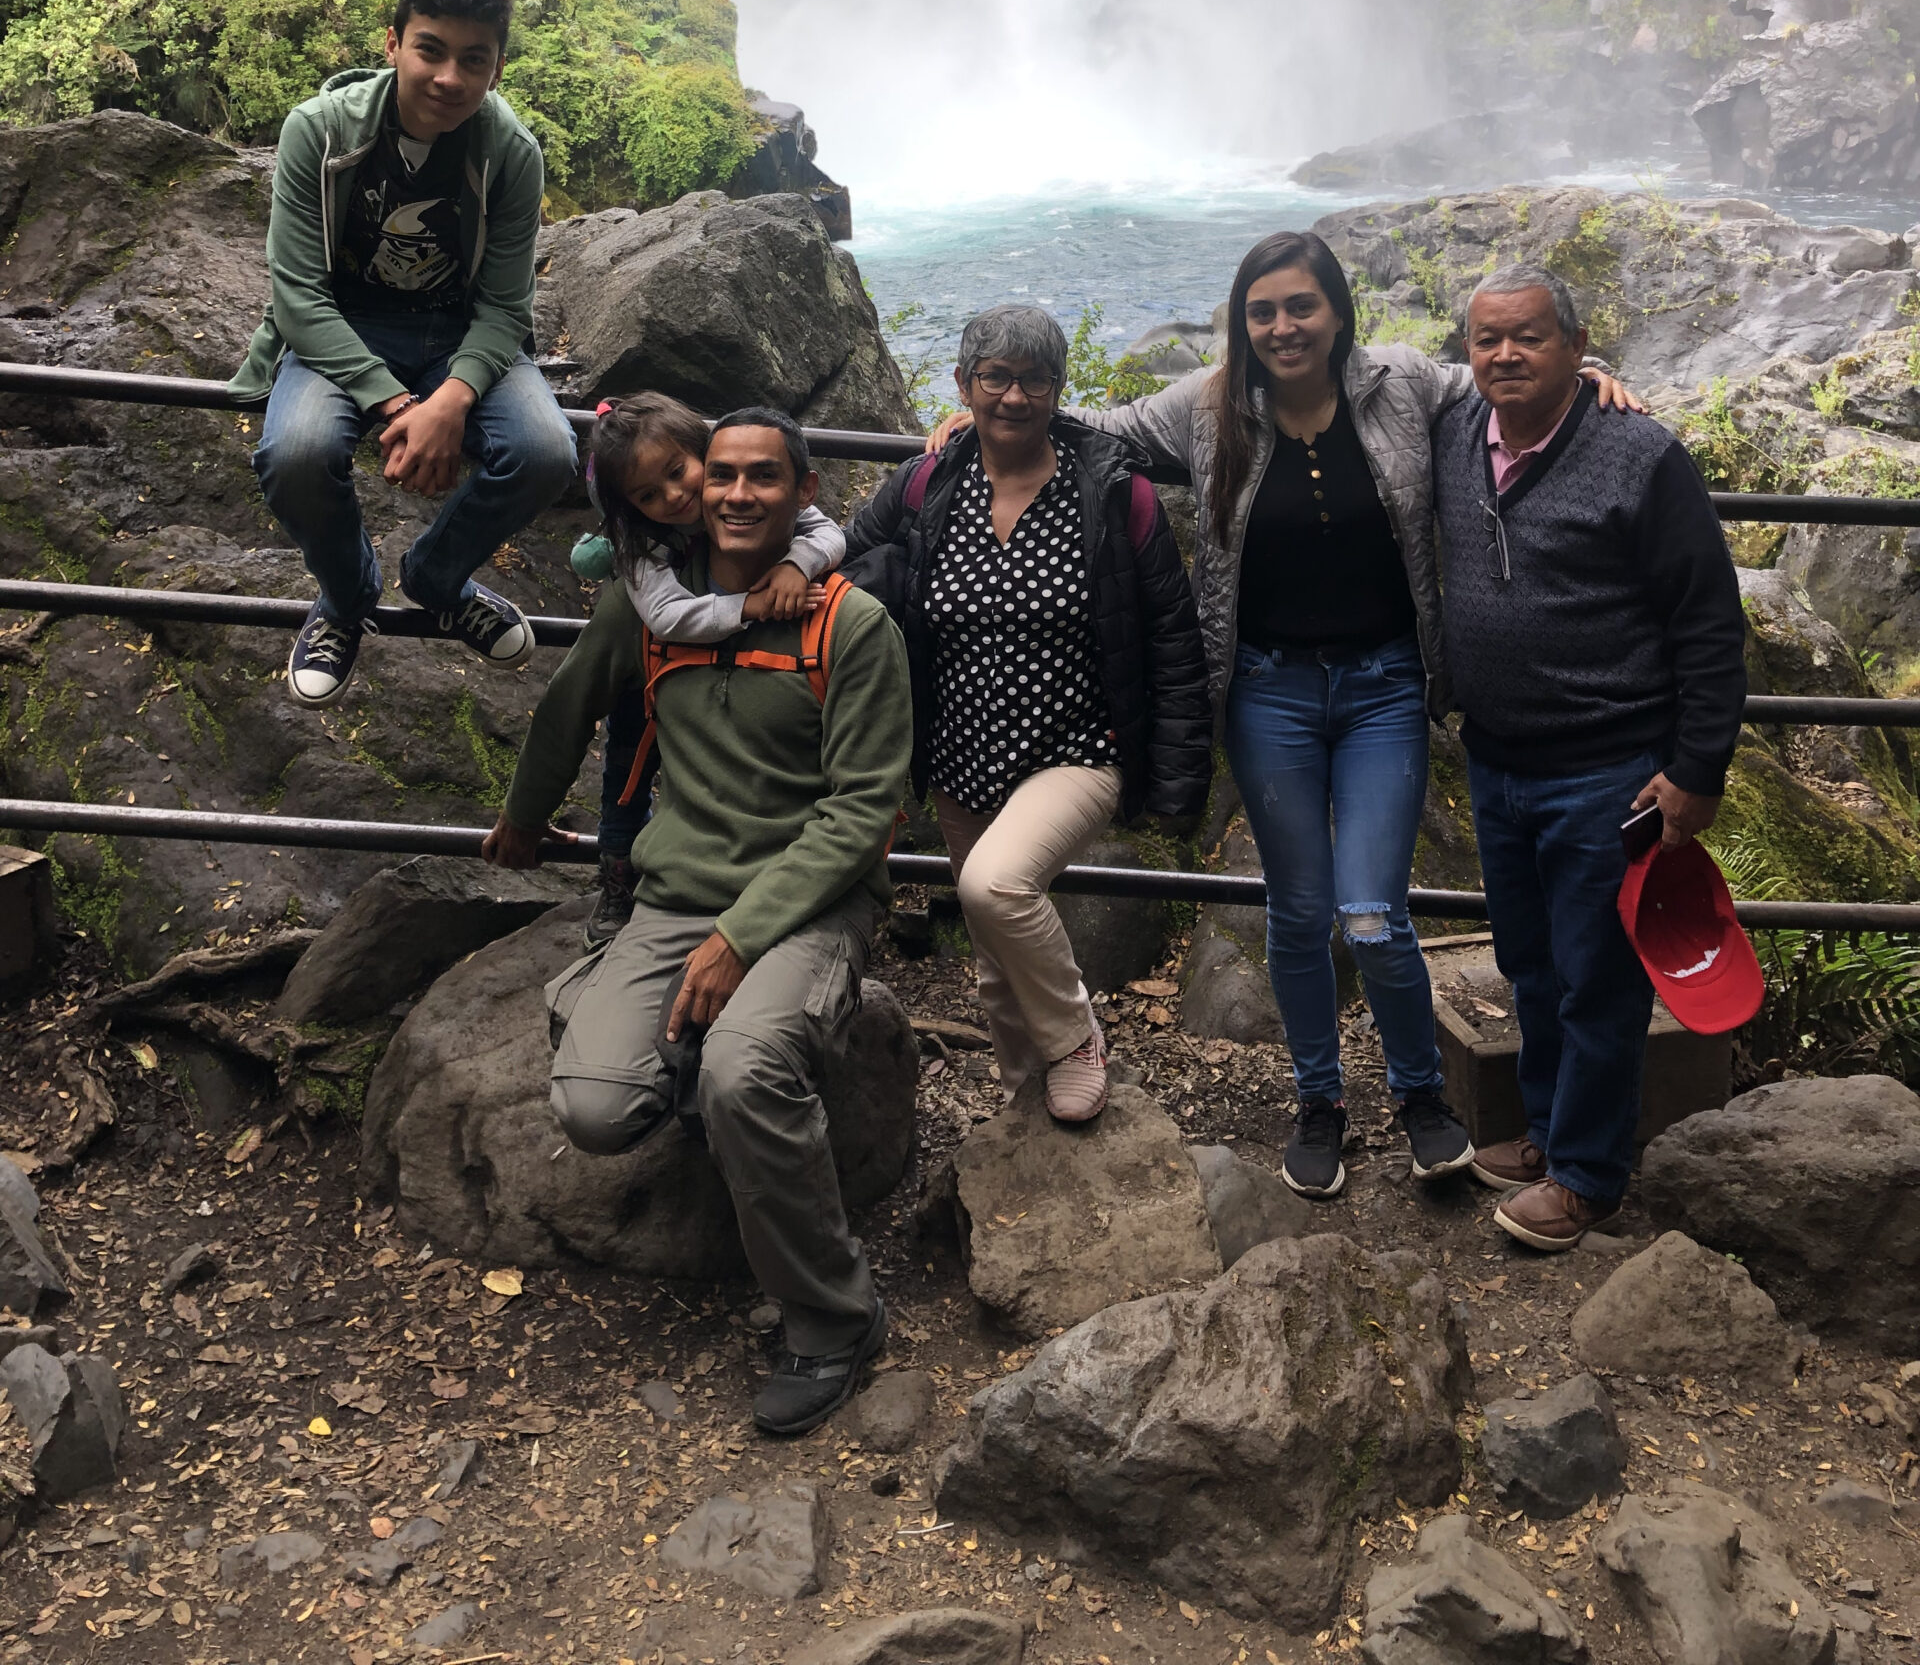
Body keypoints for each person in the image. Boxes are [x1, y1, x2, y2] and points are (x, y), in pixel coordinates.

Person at [1041, 232, 1641, 1200]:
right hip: (1267, 689)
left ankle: (1418, 1099)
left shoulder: (1401, 383)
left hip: (1385, 686)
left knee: (1371, 913)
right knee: (1297, 908)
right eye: (1263, 311)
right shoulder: (1207, 405)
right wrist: (984, 417)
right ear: (1244, 321)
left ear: (1336, 310)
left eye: (1300, 306)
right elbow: (1093, 430)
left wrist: (1590, 370)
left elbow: (1507, 375)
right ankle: (1319, 1100)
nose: (1283, 327)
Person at [482, 409, 912, 1438]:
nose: (735, 493)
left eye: (764, 476)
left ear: (804, 491)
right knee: (593, 1106)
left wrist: (740, 939)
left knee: (745, 1070)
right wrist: (525, 815)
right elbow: (567, 707)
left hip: (810, 903)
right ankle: (645, 1026)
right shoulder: (651, 610)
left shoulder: (849, 625)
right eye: (720, 474)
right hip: (678, 896)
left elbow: (862, 812)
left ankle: (833, 1317)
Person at [1432, 265, 1746, 1251]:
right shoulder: (1453, 438)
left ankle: (1589, 1178)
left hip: (1609, 769)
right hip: (1498, 761)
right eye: (1488, 340)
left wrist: (1697, 771)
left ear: (1577, 347)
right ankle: (1546, 1133)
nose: (1506, 355)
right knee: (1530, 964)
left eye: (1528, 337)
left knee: (1598, 977)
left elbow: (1707, 621)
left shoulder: (1640, 453)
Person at [847, 306, 1211, 1125]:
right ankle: (1024, 1109)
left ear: (1058, 389)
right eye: (995, 378)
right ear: (963, 386)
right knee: (991, 954)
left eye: (1035, 379)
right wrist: (783, 577)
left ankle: (1076, 1037)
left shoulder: (1116, 495)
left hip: (1077, 749)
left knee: (995, 885)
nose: (1015, 396)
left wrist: (1181, 781)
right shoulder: (926, 484)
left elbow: (1172, 642)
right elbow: (847, 552)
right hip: (959, 752)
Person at [230, 0, 578, 707]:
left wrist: (451, 400)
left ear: (496, 68)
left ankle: (437, 581)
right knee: (294, 452)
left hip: (461, 332)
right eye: (431, 49)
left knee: (548, 452)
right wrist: (396, 405)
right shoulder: (317, 132)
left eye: (473, 59)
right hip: (342, 327)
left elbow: (506, 306)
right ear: (392, 45)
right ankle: (348, 600)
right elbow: (296, 293)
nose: (449, 77)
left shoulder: (510, 154)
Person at [572, 392, 848, 947]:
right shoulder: (639, 543)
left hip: (715, 675)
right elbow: (668, 615)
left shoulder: (740, 491)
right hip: (650, 670)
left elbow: (829, 531)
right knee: (627, 768)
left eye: (680, 473)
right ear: (629, 505)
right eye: (649, 494)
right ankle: (620, 872)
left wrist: (797, 564)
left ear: (703, 451)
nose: (675, 496)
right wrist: (750, 607)